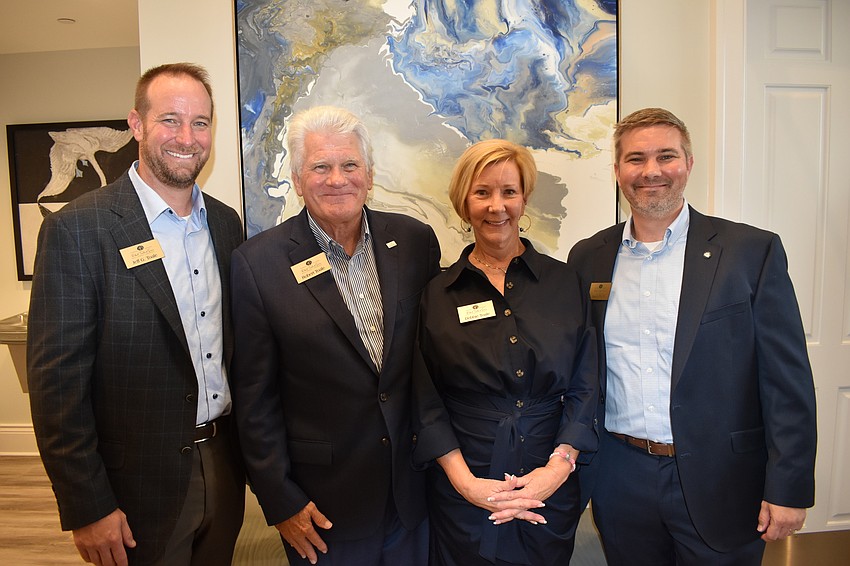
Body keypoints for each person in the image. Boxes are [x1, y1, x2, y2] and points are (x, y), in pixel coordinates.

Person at [567, 107, 817, 565]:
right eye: (635, 159)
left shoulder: (749, 252)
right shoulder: (588, 257)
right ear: (618, 171)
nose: (652, 172)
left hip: (722, 478)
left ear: (688, 163)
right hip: (620, 477)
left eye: (666, 156)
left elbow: (786, 381)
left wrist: (789, 485)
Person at [27, 63, 246, 566]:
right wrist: (88, 505)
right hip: (133, 486)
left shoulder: (227, 225)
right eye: (170, 120)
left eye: (200, 122)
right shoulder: (78, 231)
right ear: (136, 124)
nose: (186, 138)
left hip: (225, 465)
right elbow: (57, 387)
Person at [230, 105, 441, 566]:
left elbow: (432, 362)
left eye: (349, 165)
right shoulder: (257, 263)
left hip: (412, 489)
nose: (337, 179)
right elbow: (254, 398)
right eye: (320, 167)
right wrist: (279, 498)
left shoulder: (414, 242)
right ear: (297, 177)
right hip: (322, 503)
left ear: (369, 174)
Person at [412, 139, 598, 565]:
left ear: (524, 198)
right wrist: (467, 485)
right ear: (464, 202)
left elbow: (587, 384)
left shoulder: (565, 283)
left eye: (508, 192)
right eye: (483, 192)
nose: (497, 206)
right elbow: (426, 402)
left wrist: (555, 471)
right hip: (464, 485)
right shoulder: (436, 294)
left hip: (549, 483)